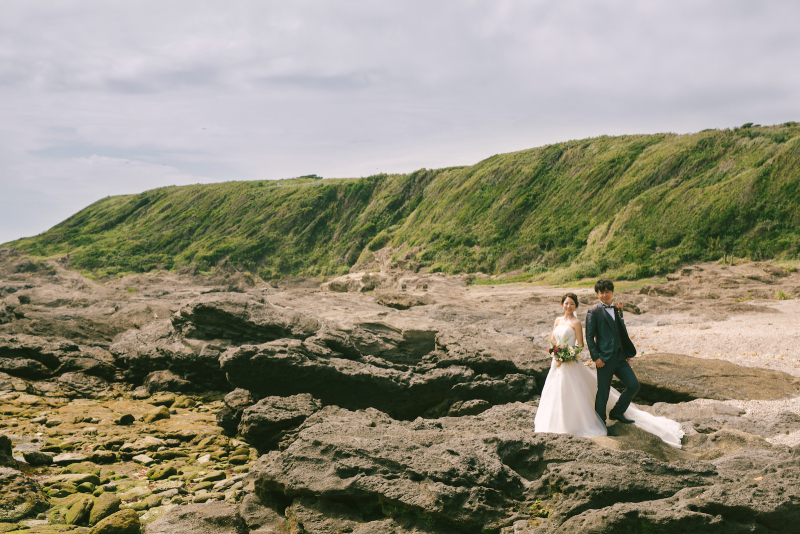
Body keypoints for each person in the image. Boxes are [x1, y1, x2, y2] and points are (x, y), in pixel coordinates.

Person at [534, 289, 684, 447]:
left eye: (572, 303)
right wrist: (555, 353)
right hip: (558, 362)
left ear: (575, 306)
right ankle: (558, 422)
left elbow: (582, 344)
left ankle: (612, 414)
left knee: (628, 386)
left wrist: (569, 355)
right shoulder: (559, 320)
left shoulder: (577, 323)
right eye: (566, 303)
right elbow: (553, 341)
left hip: (573, 360)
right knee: (558, 392)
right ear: (562, 305)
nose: (569, 306)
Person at [585, 279, 639, 426]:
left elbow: (621, 332)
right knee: (603, 392)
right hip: (604, 359)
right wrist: (595, 357)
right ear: (597, 294)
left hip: (620, 357)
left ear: (612, 292)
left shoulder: (617, 309)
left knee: (634, 385)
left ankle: (617, 412)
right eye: (601, 292)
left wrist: (627, 353)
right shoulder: (593, 312)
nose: (604, 295)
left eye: (607, 291)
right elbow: (589, 337)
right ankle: (600, 423)